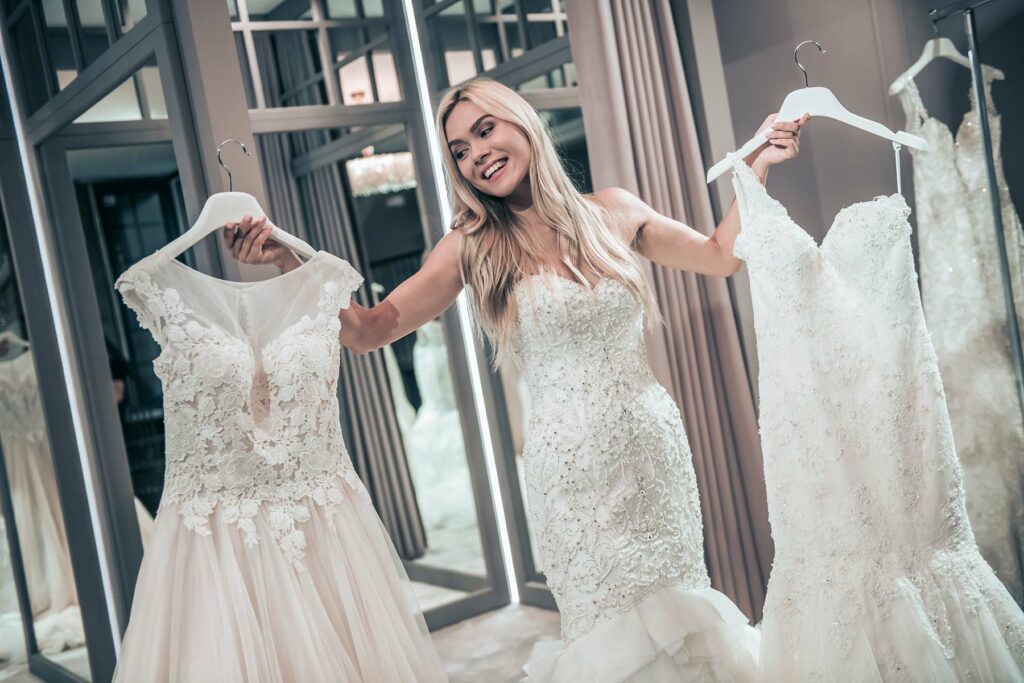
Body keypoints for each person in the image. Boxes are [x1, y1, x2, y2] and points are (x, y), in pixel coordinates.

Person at [227, 76, 806, 682]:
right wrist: (287, 261)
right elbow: (368, 331)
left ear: (521, 123)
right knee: (605, 628)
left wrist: (755, 167)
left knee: (680, 610)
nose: (476, 153)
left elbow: (719, 255)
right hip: (571, 477)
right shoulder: (470, 247)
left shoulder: (614, 211)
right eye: (459, 150)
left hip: (651, 452)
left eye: (485, 130)